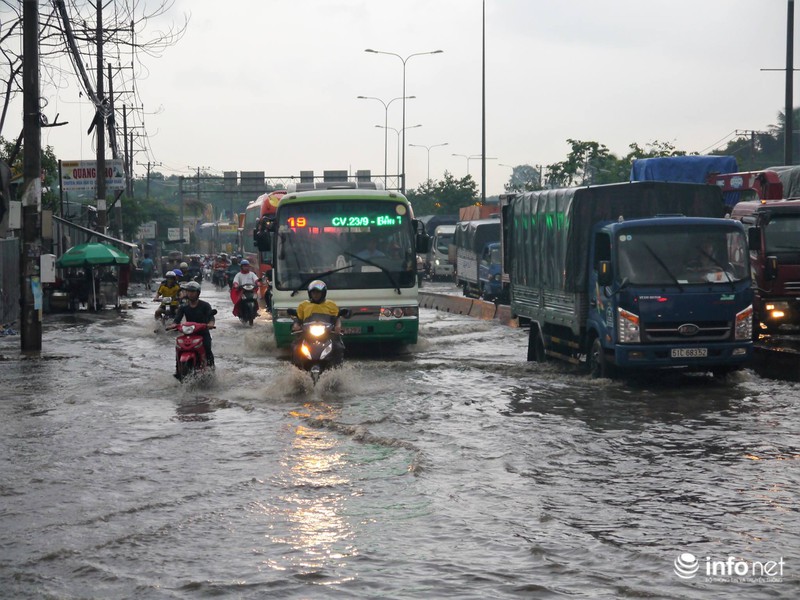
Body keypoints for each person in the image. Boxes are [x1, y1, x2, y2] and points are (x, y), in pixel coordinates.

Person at [169, 281, 216, 372]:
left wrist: (210, 324)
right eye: (188, 291)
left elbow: (211, 317)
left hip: (203, 333)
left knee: (207, 349)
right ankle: (178, 370)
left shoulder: (205, 305)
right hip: (189, 333)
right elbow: (177, 320)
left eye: (193, 291)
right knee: (179, 348)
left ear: (198, 293)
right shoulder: (183, 307)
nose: (190, 294)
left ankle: (211, 369)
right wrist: (173, 325)